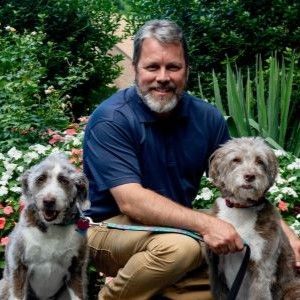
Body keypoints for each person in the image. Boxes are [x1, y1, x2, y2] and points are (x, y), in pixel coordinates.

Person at [83, 19, 300, 300]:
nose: (163, 77)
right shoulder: (111, 119)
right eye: (152, 67)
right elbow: (131, 201)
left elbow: (240, 184)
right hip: (109, 229)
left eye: (173, 67)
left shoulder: (206, 118)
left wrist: (290, 239)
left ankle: (164, 290)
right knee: (181, 249)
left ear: (186, 70)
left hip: (175, 229)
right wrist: (208, 224)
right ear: (136, 68)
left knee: (234, 276)